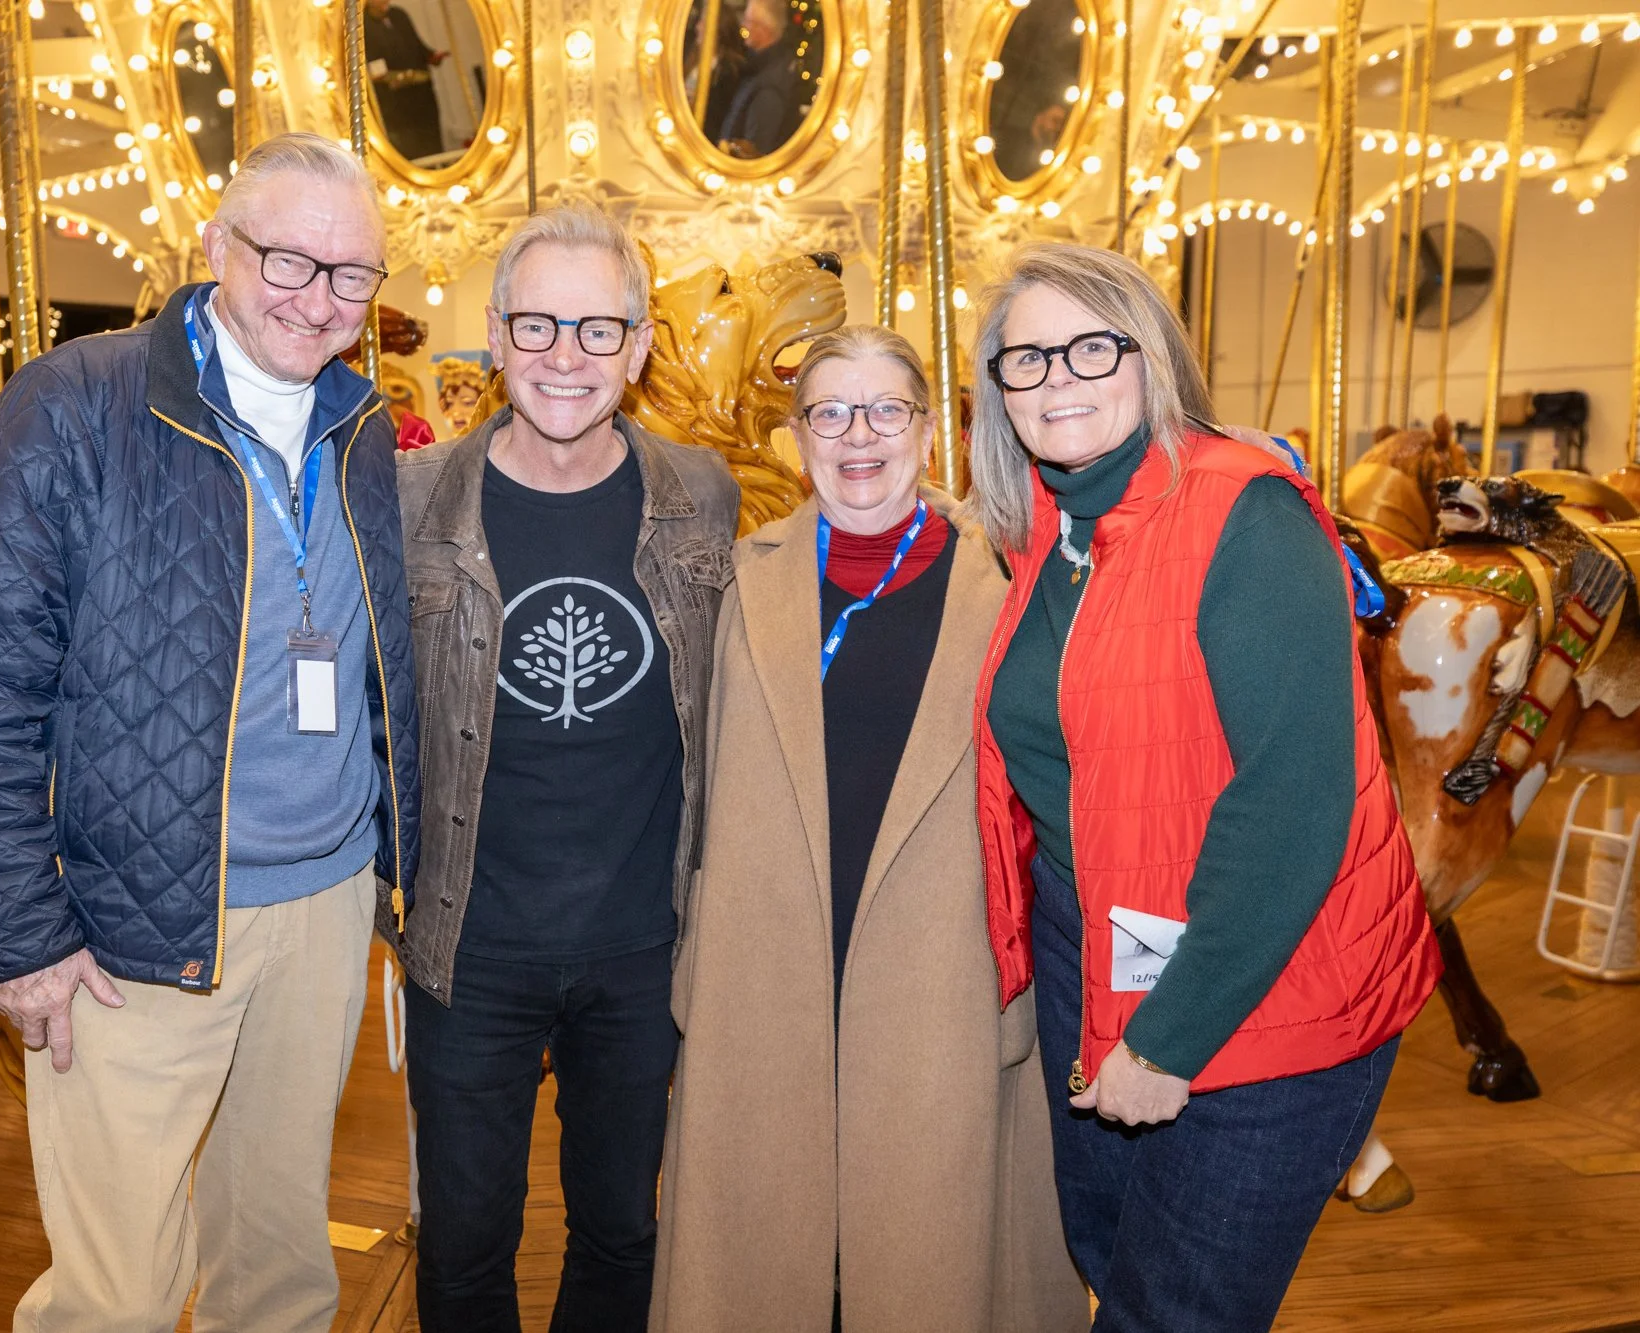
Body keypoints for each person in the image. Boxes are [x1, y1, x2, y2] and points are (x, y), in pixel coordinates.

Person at [0, 132, 419, 1332]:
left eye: (352, 275)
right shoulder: (78, 403)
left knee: (281, 1265)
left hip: (323, 907)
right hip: (132, 923)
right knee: (117, 1297)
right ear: (215, 244)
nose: (317, 299)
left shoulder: (358, 424)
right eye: (286, 260)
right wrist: (17, 935)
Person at [966, 241, 1441, 1330]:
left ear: (1151, 356)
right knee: (1108, 1255)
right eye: (1026, 358)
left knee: (1176, 1309)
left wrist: (1166, 1039)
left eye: (1091, 348)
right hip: (1092, 947)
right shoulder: (1045, 523)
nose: (1057, 379)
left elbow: (1291, 804)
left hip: (1267, 981)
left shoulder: (1244, 514)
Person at [650, 324, 1084, 1332]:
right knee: (759, 1261)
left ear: (929, 431)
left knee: (926, 1260)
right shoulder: (735, 581)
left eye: (886, 410)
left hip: (941, 976)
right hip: (761, 978)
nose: (859, 435)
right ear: (797, 436)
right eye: (831, 412)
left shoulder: (1009, 584)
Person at [394, 204, 738, 1332]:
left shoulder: (701, 495)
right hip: (467, 939)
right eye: (537, 325)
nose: (565, 356)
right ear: (496, 336)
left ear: (638, 349)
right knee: (463, 1245)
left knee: (622, 1231)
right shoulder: (411, 500)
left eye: (598, 329)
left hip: (641, 945)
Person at [714, 0, 802, 158]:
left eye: (748, 21)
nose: (743, 26)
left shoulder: (769, 88)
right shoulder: (760, 68)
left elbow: (753, 153)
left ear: (764, 28)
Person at [365, 0, 449, 161]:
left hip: (421, 93)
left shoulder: (399, 15)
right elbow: (371, 64)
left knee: (431, 141)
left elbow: (416, 45)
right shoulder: (362, 24)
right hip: (394, 100)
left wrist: (433, 56)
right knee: (408, 147)